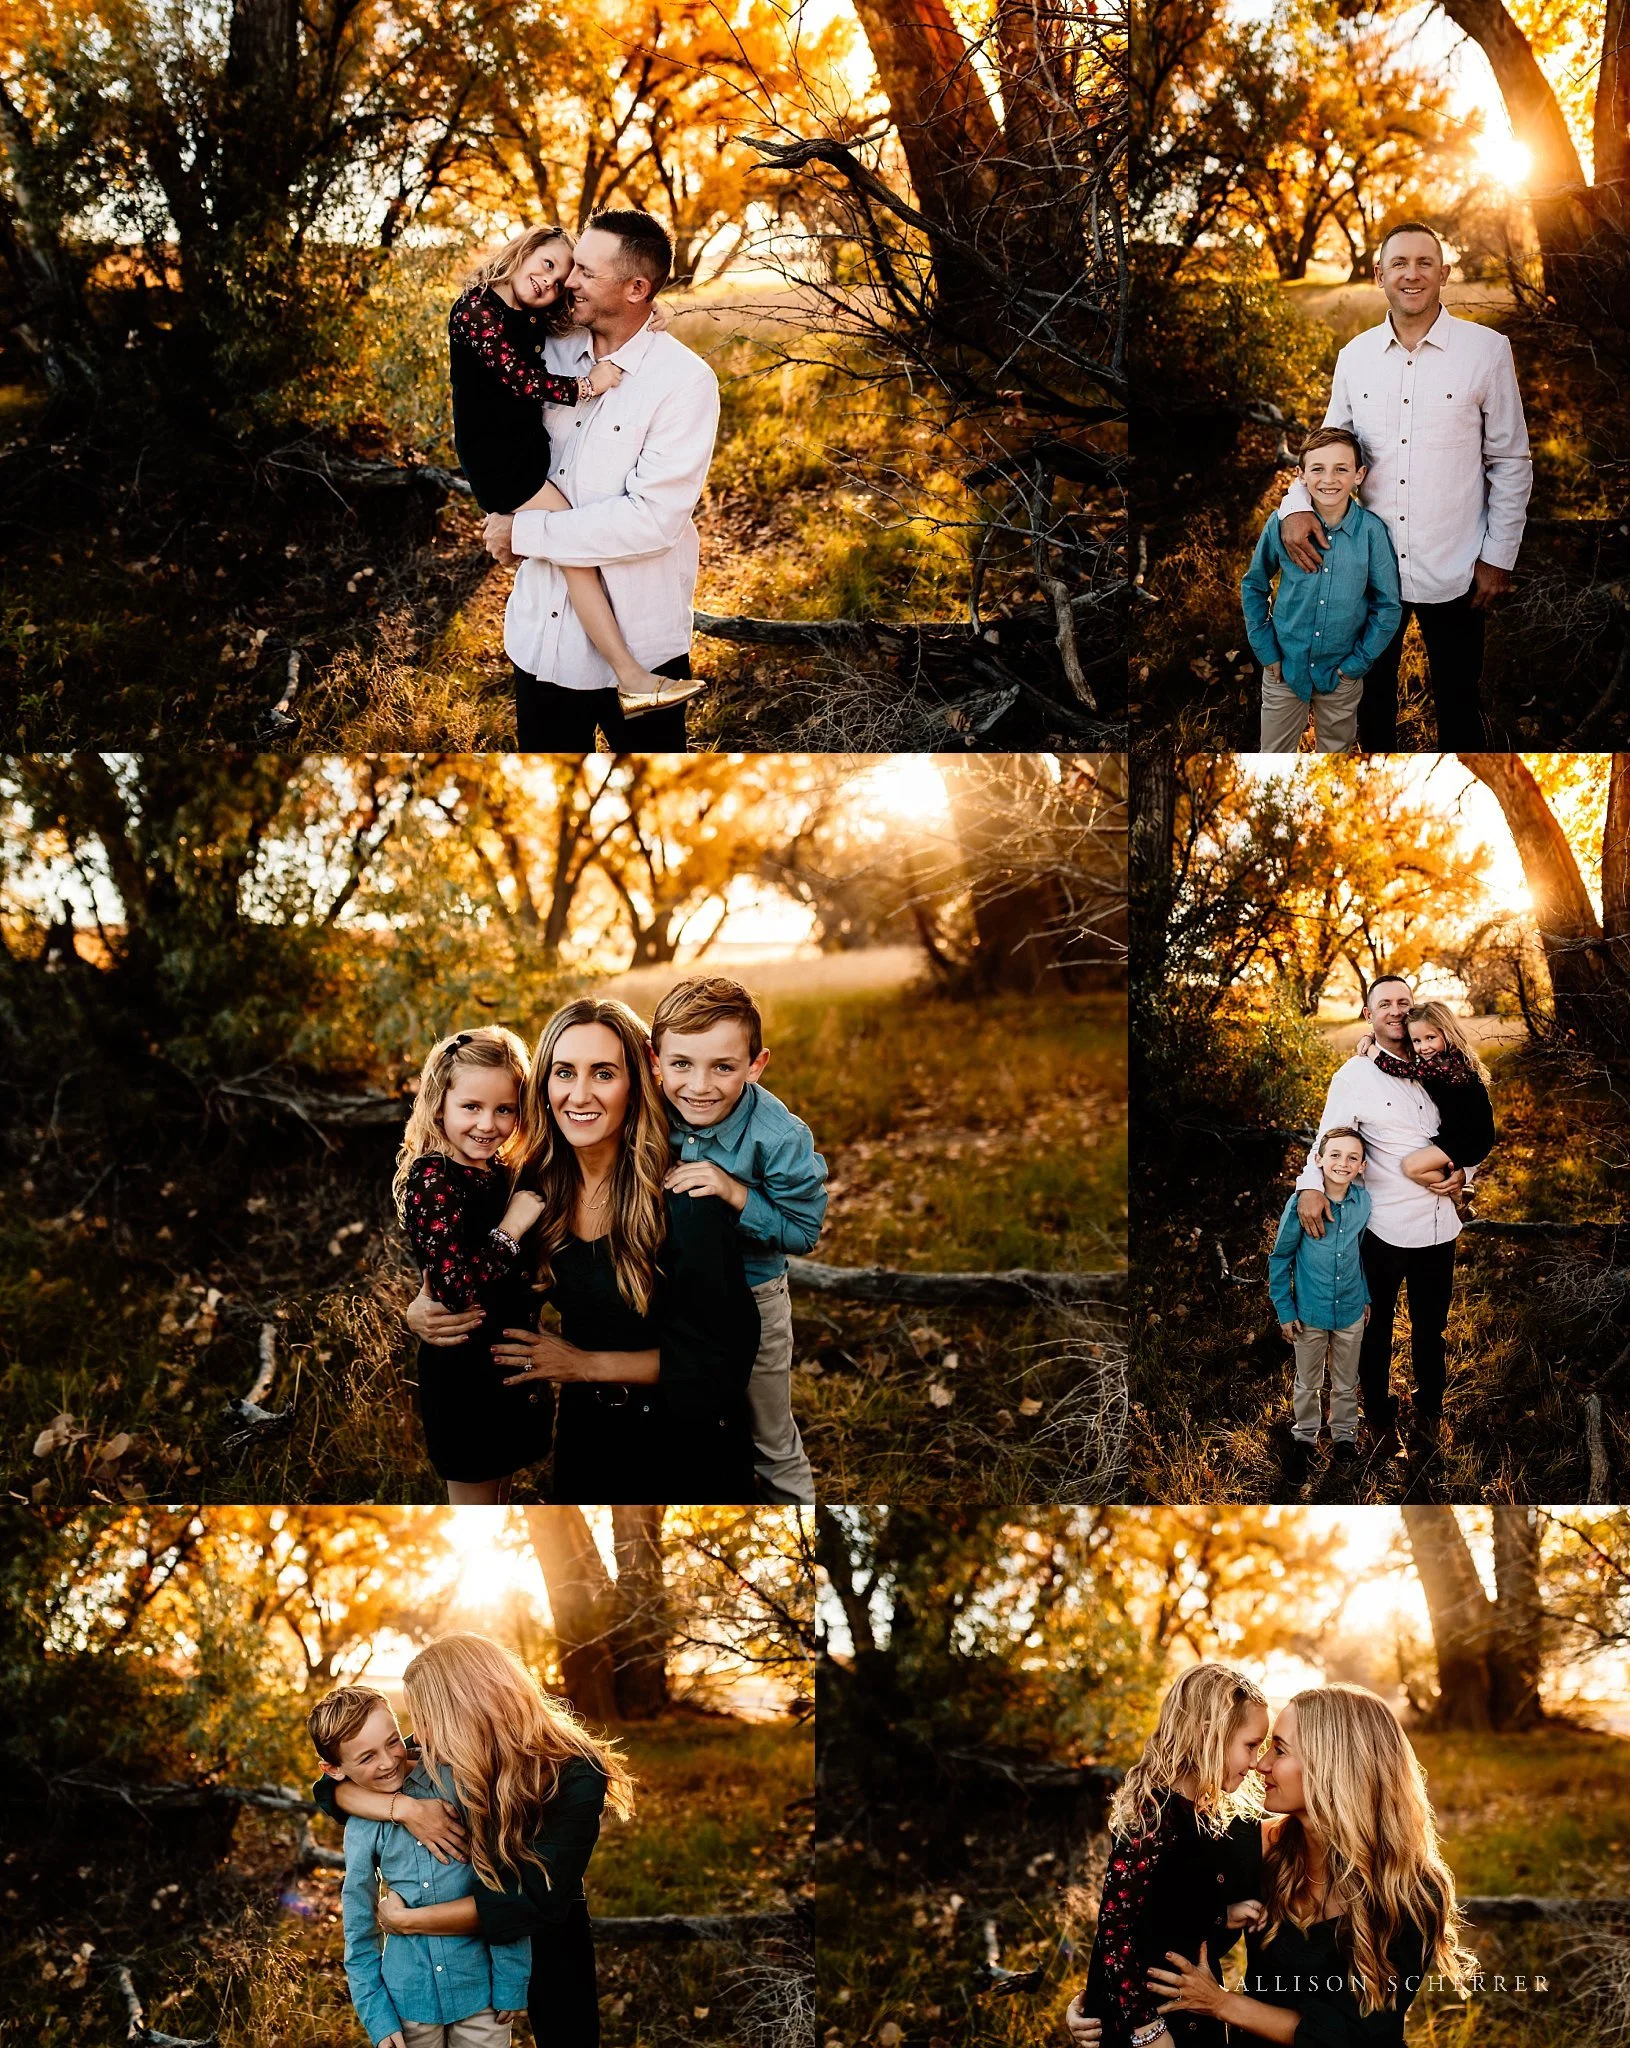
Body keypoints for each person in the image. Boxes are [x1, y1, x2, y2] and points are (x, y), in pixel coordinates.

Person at [405, 998, 762, 1502]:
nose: (580, 1094)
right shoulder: (531, 1186)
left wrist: (584, 1364)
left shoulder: (686, 1198)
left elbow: (722, 1361)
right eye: (564, 1072)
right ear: (544, 1087)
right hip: (586, 1436)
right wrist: (421, 1309)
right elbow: (467, 1264)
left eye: (604, 1073)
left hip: (684, 1444)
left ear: (637, 1084)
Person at [1274, 221, 1532, 749]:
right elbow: (1328, 451)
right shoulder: (1355, 356)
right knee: (1370, 706)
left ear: (1444, 274)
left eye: (1424, 263)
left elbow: (1510, 459)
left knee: (1459, 702)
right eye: (1399, 264)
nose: (1411, 275)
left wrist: (1498, 557)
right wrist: (1295, 505)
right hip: (1367, 569)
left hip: (1457, 567)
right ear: (1379, 275)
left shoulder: (1487, 351)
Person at [312, 1636, 633, 2048]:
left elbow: (522, 1902)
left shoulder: (578, 1773)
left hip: (548, 1922)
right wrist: (406, 1808)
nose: (416, 1737)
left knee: (569, 2036)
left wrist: (407, 1922)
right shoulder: (446, 1747)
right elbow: (332, 1787)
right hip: (465, 1948)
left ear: (467, 1710)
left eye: (425, 1719)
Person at [480, 210, 721, 752]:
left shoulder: (684, 383)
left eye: (587, 272)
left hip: (641, 647)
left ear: (637, 289)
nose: (569, 281)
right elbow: (496, 429)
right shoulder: (546, 349)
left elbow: (652, 521)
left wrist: (523, 533)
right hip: (542, 639)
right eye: (573, 266)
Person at [1144, 1685, 1475, 2045]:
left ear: (1331, 1767)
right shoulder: (1253, 1845)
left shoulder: (1411, 1890)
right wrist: (1114, 2010)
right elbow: (1150, 1917)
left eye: (1280, 1749)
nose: (1261, 1764)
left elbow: (1355, 2034)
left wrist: (1221, 2004)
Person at [650, 976, 827, 1505]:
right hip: (666, 1288)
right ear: (655, 1061)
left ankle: (791, 1513)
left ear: (756, 1064)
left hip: (754, 1296)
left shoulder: (780, 1136)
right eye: (682, 1064)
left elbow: (804, 1231)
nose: (699, 1085)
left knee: (769, 1435)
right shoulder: (647, 1110)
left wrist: (734, 1193)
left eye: (723, 1067)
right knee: (684, 1419)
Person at [1295, 976, 1465, 1451]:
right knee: (1375, 1327)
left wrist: (1465, 1173)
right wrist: (1310, 1187)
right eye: (1384, 1003)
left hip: (1440, 1223)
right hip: (1383, 1227)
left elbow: (1469, 1129)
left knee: (1432, 1326)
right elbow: (1327, 1140)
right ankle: (1378, 1415)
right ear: (1368, 1015)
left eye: (1403, 1002)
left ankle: (1431, 1408)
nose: (1396, 1010)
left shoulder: (1439, 1065)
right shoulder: (1354, 1076)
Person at [309, 1683, 529, 2048]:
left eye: (392, 1741)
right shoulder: (361, 1828)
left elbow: (502, 1880)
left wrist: (511, 1978)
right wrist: (378, 2017)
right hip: (409, 2001)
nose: (387, 1762)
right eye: (366, 1757)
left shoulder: (455, 1783)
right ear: (333, 1769)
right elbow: (359, 1929)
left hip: (481, 1994)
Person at [1063, 1664, 1270, 2048]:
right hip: (1147, 2021)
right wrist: (1146, 2028)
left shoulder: (1208, 1814)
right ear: (1209, 1734)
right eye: (1251, 1745)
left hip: (1193, 2010)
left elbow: (1169, 1907)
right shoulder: (1153, 1815)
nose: (1257, 1762)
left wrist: (1222, 1915)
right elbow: (1116, 1927)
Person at [392, 1028, 553, 1504]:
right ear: (439, 1104)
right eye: (471, 1107)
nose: (488, 1124)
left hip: (509, 1370)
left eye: (504, 1109)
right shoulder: (433, 1178)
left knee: (501, 1490)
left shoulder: (500, 1171)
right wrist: (511, 1228)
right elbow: (457, 1287)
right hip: (464, 1378)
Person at [1242, 428, 1401, 753]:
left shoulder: (1371, 532)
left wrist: (1355, 665)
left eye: (1341, 469)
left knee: (1336, 754)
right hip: (1285, 668)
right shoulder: (1280, 524)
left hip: (1341, 674)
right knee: (1273, 754)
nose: (1329, 479)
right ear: (1301, 475)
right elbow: (1254, 585)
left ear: (1359, 475)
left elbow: (1387, 606)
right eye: (1317, 469)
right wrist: (1266, 650)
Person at [1268, 1127, 1372, 1483]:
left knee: (1346, 1380)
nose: (1343, 1163)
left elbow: (1358, 1253)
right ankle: (1305, 1438)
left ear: (1361, 1166)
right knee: (1308, 1380)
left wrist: (1366, 1296)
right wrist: (1285, 1310)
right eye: (1335, 1155)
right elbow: (1280, 1258)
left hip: (1351, 1311)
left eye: (1353, 1157)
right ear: (1319, 1159)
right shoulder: (1301, 1205)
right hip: (1309, 1313)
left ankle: (1344, 1438)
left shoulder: (1363, 1203)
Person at [1385, 1004, 1496, 1217]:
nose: (1424, 1047)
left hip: (1471, 1137)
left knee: (1411, 1167)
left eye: (1430, 1038)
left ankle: (1458, 1195)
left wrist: (1371, 1048)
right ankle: (1461, 1195)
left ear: (1447, 1033)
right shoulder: (1443, 1059)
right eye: (1417, 1041)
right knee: (1418, 1167)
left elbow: (1398, 1068)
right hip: (1459, 1132)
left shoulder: (1446, 1063)